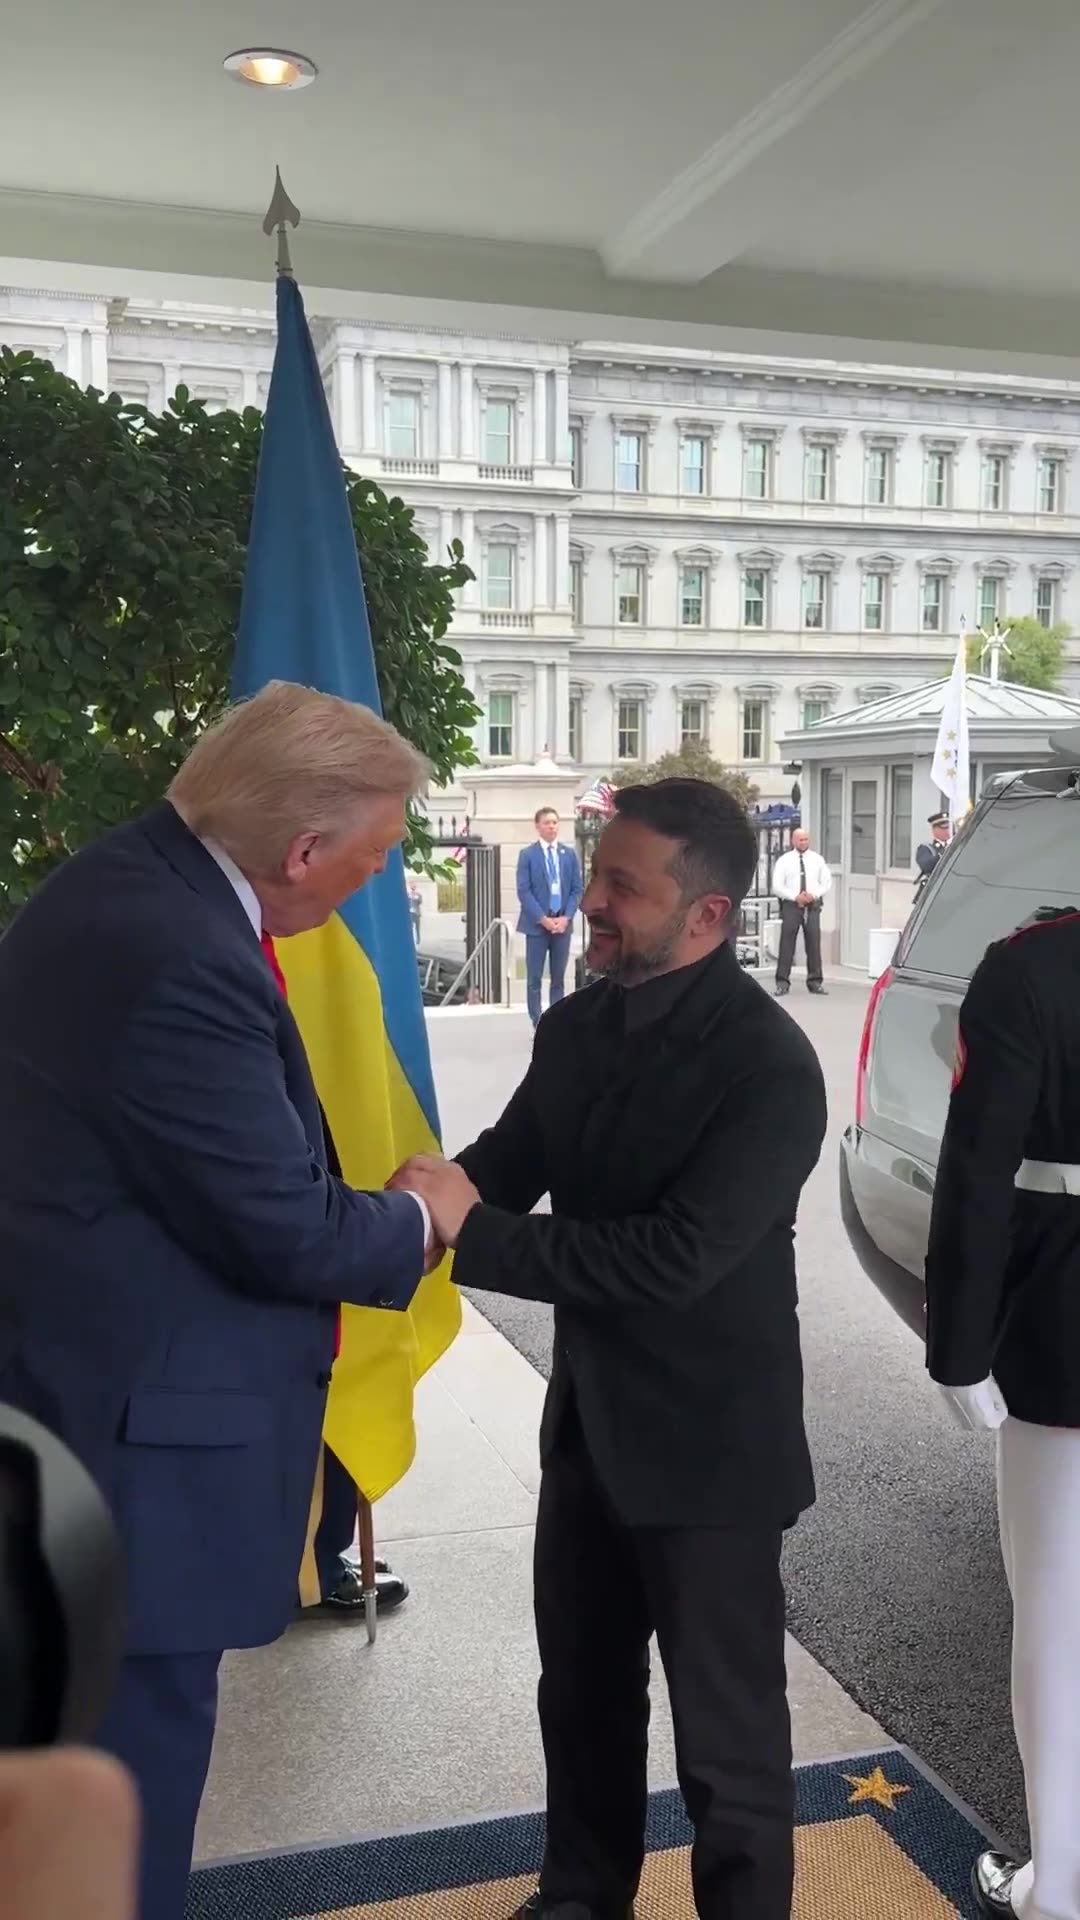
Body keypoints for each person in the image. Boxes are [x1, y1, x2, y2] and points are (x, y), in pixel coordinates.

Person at [0, 680, 467, 1920]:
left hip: (88, 1419)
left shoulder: (139, 890)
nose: (371, 883)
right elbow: (285, 1227)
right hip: (128, 1472)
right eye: (371, 857)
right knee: (118, 1817)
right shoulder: (173, 950)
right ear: (304, 849)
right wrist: (426, 1216)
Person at [393, 778, 827, 1920]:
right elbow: (515, 1152)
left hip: (711, 1458)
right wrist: (419, 1202)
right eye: (596, 873)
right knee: (580, 1701)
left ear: (709, 917)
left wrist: (468, 1230)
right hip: (589, 1432)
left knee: (729, 1753)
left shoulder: (771, 1068)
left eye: (620, 887)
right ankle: (579, 1898)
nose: (591, 900)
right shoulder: (578, 1022)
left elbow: (668, 1261)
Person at [924, 905, 1080, 1920]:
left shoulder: (1033, 966)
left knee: (1059, 1619)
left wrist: (961, 1349)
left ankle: (1059, 1886)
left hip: (1066, 1329)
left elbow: (978, 1175)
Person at [517, 807, 583, 1027]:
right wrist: (543, 919)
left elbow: (576, 889)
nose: (552, 826)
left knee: (558, 978)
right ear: (538, 826)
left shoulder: (568, 855)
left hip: (562, 926)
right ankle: (537, 1020)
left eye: (555, 822)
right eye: (547, 823)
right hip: (537, 927)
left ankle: (555, 1022)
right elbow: (524, 892)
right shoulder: (528, 855)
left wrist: (566, 917)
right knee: (534, 978)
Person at [772, 827, 831, 997]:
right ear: (793, 840)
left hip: (812, 905)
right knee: (787, 943)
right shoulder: (784, 861)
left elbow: (826, 882)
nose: (803, 842)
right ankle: (782, 982)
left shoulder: (817, 860)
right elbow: (777, 886)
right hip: (791, 905)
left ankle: (815, 982)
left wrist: (813, 894)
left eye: (806, 839)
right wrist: (795, 896)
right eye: (800, 839)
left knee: (813, 943)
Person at [914, 811, 950, 895]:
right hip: (933, 892)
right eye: (944, 828)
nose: (947, 831)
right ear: (934, 829)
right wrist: (945, 851)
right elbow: (927, 866)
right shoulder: (926, 848)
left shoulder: (956, 845)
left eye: (949, 828)